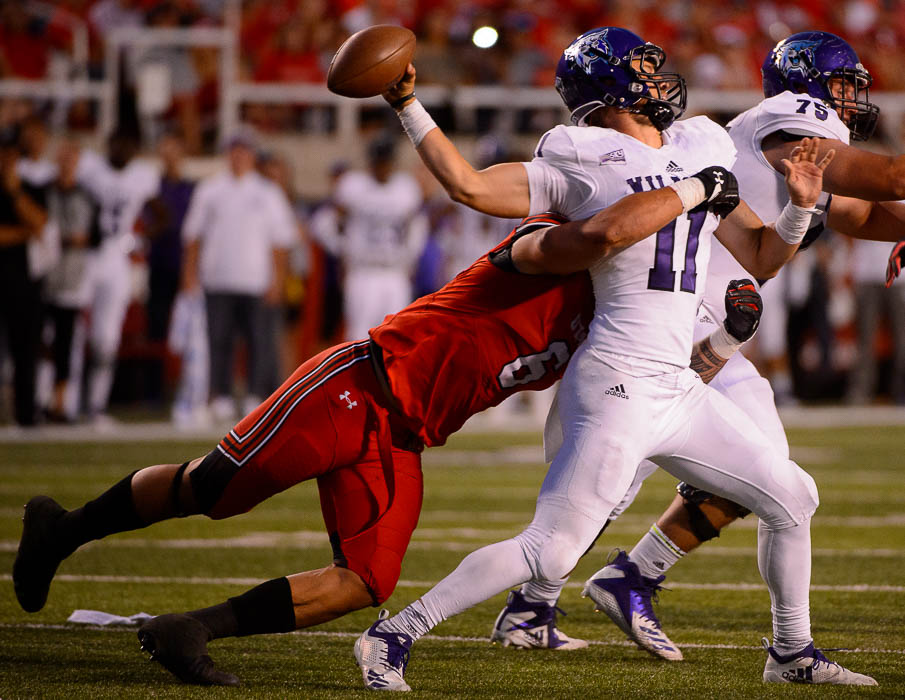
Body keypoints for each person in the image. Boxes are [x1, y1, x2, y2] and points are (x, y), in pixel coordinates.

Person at [12, 191, 758, 686]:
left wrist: (728, 331)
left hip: (403, 437)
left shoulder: (618, 322)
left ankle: (188, 630)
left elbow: (678, 366)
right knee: (214, 492)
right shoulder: (550, 248)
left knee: (365, 583)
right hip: (358, 386)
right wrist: (689, 188)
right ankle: (63, 528)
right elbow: (591, 234)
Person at [353, 27, 876, 689]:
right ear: (606, 87)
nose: (659, 78)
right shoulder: (582, 154)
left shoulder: (700, 142)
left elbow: (765, 256)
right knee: (551, 547)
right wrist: (407, 105)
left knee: (793, 496)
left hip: (678, 386)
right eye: (641, 67)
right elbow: (471, 188)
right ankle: (393, 634)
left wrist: (800, 208)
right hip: (618, 381)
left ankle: (790, 654)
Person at [558, 30, 905, 663]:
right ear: (809, 84)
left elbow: (860, 213)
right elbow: (890, 177)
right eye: (843, 83)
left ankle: (634, 577)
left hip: (714, 327)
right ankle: (537, 599)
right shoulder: (784, 122)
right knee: (606, 483)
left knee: (770, 476)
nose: (853, 97)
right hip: (669, 325)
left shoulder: (798, 144)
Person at [180, 127, 294, 421]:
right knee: (219, 340)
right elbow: (193, 236)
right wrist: (190, 275)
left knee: (259, 340)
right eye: (234, 150)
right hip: (218, 279)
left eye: (244, 150)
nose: (239, 156)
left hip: (256, 281)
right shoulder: (210, 189)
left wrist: (277, 280)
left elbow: (280, 242)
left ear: (253, 155)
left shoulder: (267, 192)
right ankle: (221, 395)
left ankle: (256, 395)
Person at [74, 129, 161, 426]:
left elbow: (161, 215)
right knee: (71, 330)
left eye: (127, 144)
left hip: (116, 259)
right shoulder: (89, 168)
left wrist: (137, 237)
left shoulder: (142, 176)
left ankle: (95, 406)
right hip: (84, 255)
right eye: (117, 143)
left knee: (107, 338)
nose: (121, 150)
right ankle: (65, 403)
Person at [326, 135, 427, 342]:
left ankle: (390, 376)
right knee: (358, 335)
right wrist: (343, 252)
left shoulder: (406, 188)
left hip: (394, 271)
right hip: (363, 270)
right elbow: (331, 223)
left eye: (386, 161)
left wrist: (411, 259)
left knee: (397, 334)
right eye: (378, 161)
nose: (382, 166)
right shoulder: (353, 185)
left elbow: (415, 226)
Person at [0, 125, 48, 426]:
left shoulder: (28, 187)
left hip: (23, 283)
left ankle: (26, 418)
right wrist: (24, 233)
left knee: (25, 352)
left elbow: (41, 224)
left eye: (11, 153)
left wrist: (14, 191)